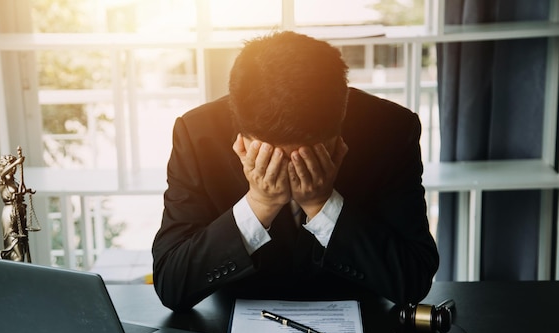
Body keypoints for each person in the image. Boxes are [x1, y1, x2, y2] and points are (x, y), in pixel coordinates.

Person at [152, 31, 439, 312]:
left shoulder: (392, 129)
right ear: (239, 130)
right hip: (232, 319)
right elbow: (171, 286)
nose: (288, 169)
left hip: (365, 319)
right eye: (270, 154)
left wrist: (322, 204)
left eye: (307, 155)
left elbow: (413, 282)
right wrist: (259, 204)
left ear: (341, 121)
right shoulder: (198, 135)